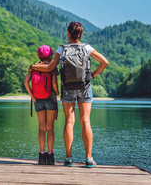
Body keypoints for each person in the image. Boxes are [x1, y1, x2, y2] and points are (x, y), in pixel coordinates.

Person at [30, 22, 108, 168]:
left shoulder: (62, 49)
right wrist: (93, 75)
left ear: (68, 34)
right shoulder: (87, 48)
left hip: (67, 88)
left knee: (69, 121)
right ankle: (89, 158)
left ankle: (68, 158)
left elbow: (50, 67)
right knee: (85, 121)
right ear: (81, 34)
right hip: (85, 87)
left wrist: (32, 66)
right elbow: (105, 62)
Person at [24, 45, 59, 165]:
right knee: (50, 128)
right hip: (50, 99)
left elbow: (25, 82)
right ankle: (50, 157)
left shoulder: (33, 66)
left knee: (41, 128)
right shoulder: (52, 67)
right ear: (49, 56)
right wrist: (57, 92)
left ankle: (41, 156)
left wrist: (32, 96)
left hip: (37, 99)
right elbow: (54, 83)